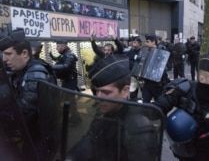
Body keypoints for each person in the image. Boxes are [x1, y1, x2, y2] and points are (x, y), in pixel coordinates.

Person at [65, 55, 159, 161]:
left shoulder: (139, 129)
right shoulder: (103, 114)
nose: (98, 99)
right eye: (96, 91)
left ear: (125, 91)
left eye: (106, 92)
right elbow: (91, 140)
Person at [0, 29, 57, 160]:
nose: (4, 59)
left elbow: (24, 111)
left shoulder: (36, 72)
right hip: (29, 134)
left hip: (40, 137)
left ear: (24, 53)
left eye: (8, 54)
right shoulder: (18, 70)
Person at [141, 33, 170, 103]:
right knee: (145, 101)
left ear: (153, 42)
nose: (146, 43)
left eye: (148, 41)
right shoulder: (146, 51)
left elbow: (163, 66)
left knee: (159, 102)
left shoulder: (161, 51)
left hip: (157, 82)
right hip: (147, 81)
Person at [126, 36, 142, 101]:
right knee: (133, 93)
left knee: (144, 93)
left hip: (141, 75)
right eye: (133, 42)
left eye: (135, 42)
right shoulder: (131, 51)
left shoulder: (143, 51)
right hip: (133, 76)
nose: (133, 43)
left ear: (139, 43)